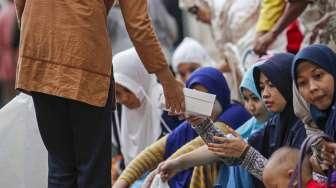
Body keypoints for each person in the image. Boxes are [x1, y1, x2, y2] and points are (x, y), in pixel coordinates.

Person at [14, 0, 184, 187]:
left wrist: (37, 38)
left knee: (60, 167)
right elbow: (138, 24)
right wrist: (167, 79)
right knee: (91, 171)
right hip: (84, 59)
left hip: (40, 54)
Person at [158, 53, 307, 187]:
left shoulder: (305, 127)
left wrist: (245, 153)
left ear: (287, 83)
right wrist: (199, 122)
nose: (265, 94)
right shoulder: (275, 124)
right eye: (261, 87)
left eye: (272, 85)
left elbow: (285, 180)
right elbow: (228, 152)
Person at [113, 67, 250, 187]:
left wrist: (167, 167)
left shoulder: (235, 114)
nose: (201, 104)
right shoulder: (191, 123)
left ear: (220, 93)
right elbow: (154, 152)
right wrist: (123, 181)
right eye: (195, 97)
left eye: (206, 97)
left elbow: (200, 145)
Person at [217, 61, 273, 188]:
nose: (250, 107)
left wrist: (244, 152)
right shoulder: (252, 124)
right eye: (246, 99)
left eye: (255, 98)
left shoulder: (281, 127)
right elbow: (220, 146)